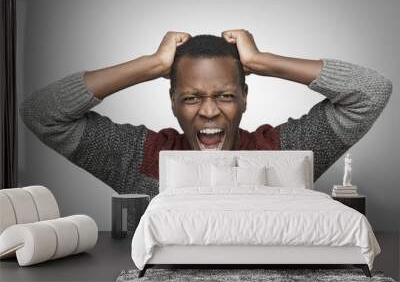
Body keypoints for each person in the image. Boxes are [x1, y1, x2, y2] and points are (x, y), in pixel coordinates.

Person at [19, 29, 392, 200]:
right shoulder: (143, 158)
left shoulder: (281, 150)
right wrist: (149, 65)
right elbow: (41, 112)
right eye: (192, 98)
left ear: (245, 98)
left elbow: (371, 92)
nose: (210, 112)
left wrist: (262, 61)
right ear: (172, 101)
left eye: (226, 96)